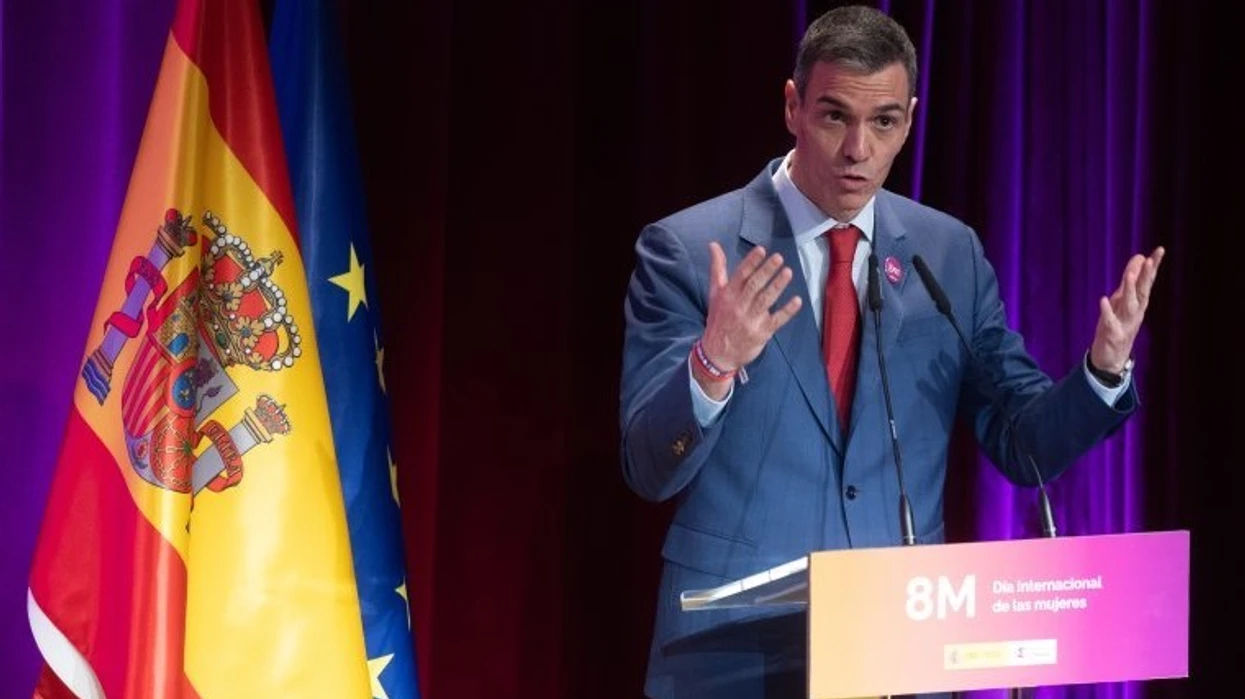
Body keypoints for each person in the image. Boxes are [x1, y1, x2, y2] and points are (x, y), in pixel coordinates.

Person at [618, 5, 1164, 699]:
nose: (857, 149)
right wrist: (711, 364)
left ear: (908, 121)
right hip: (732, 652)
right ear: (791, 107)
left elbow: (1021, 444)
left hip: (895, 650)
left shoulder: (947, 254)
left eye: (882, 122)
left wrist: (1102, 372)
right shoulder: (692, 250)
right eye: (833, 116)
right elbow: (648, 465)